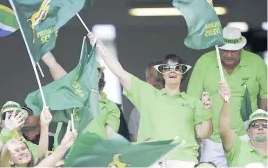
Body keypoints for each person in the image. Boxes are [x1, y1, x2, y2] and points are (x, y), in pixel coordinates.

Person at [87, 33, 213, 167]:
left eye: (177, 68)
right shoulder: (148, 94)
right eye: (167, 68)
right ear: (162, 73)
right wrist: (100, 46)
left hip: (184, 161)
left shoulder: (194, 103)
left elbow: (202, 133)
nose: (172, 71)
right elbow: (120, 73)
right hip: (153, 159)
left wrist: (207, 111)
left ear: (183, 73)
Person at [187, 26, 268, 167]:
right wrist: (197, 132)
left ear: (241, 48)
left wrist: (261, 126)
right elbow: (192, 100)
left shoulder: (256, 63)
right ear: (218, 48)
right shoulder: (204, 62)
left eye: (233, 51)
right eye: (225, 50)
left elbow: (266, 96)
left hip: (246, 138)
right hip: (212, 139)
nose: (229, 55)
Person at [42, 52, 121, 139]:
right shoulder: (71, 91)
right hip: (66, 149)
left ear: (99, 76)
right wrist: (39, 43)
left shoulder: (111, 106)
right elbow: (52, 64)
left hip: (94, 150)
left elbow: (110, 136)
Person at [218, 81, 267, 167]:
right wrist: (226, 101)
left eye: (265, 125)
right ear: (248, 131)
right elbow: (223, 130)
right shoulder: (237, 147)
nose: (260, 127)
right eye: (255, 125)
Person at [129, 61, 164, 142]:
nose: (151, 82)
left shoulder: (179, 105)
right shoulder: (138, 111)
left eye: (156, 77)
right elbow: (135, 144)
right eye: (148, 78)